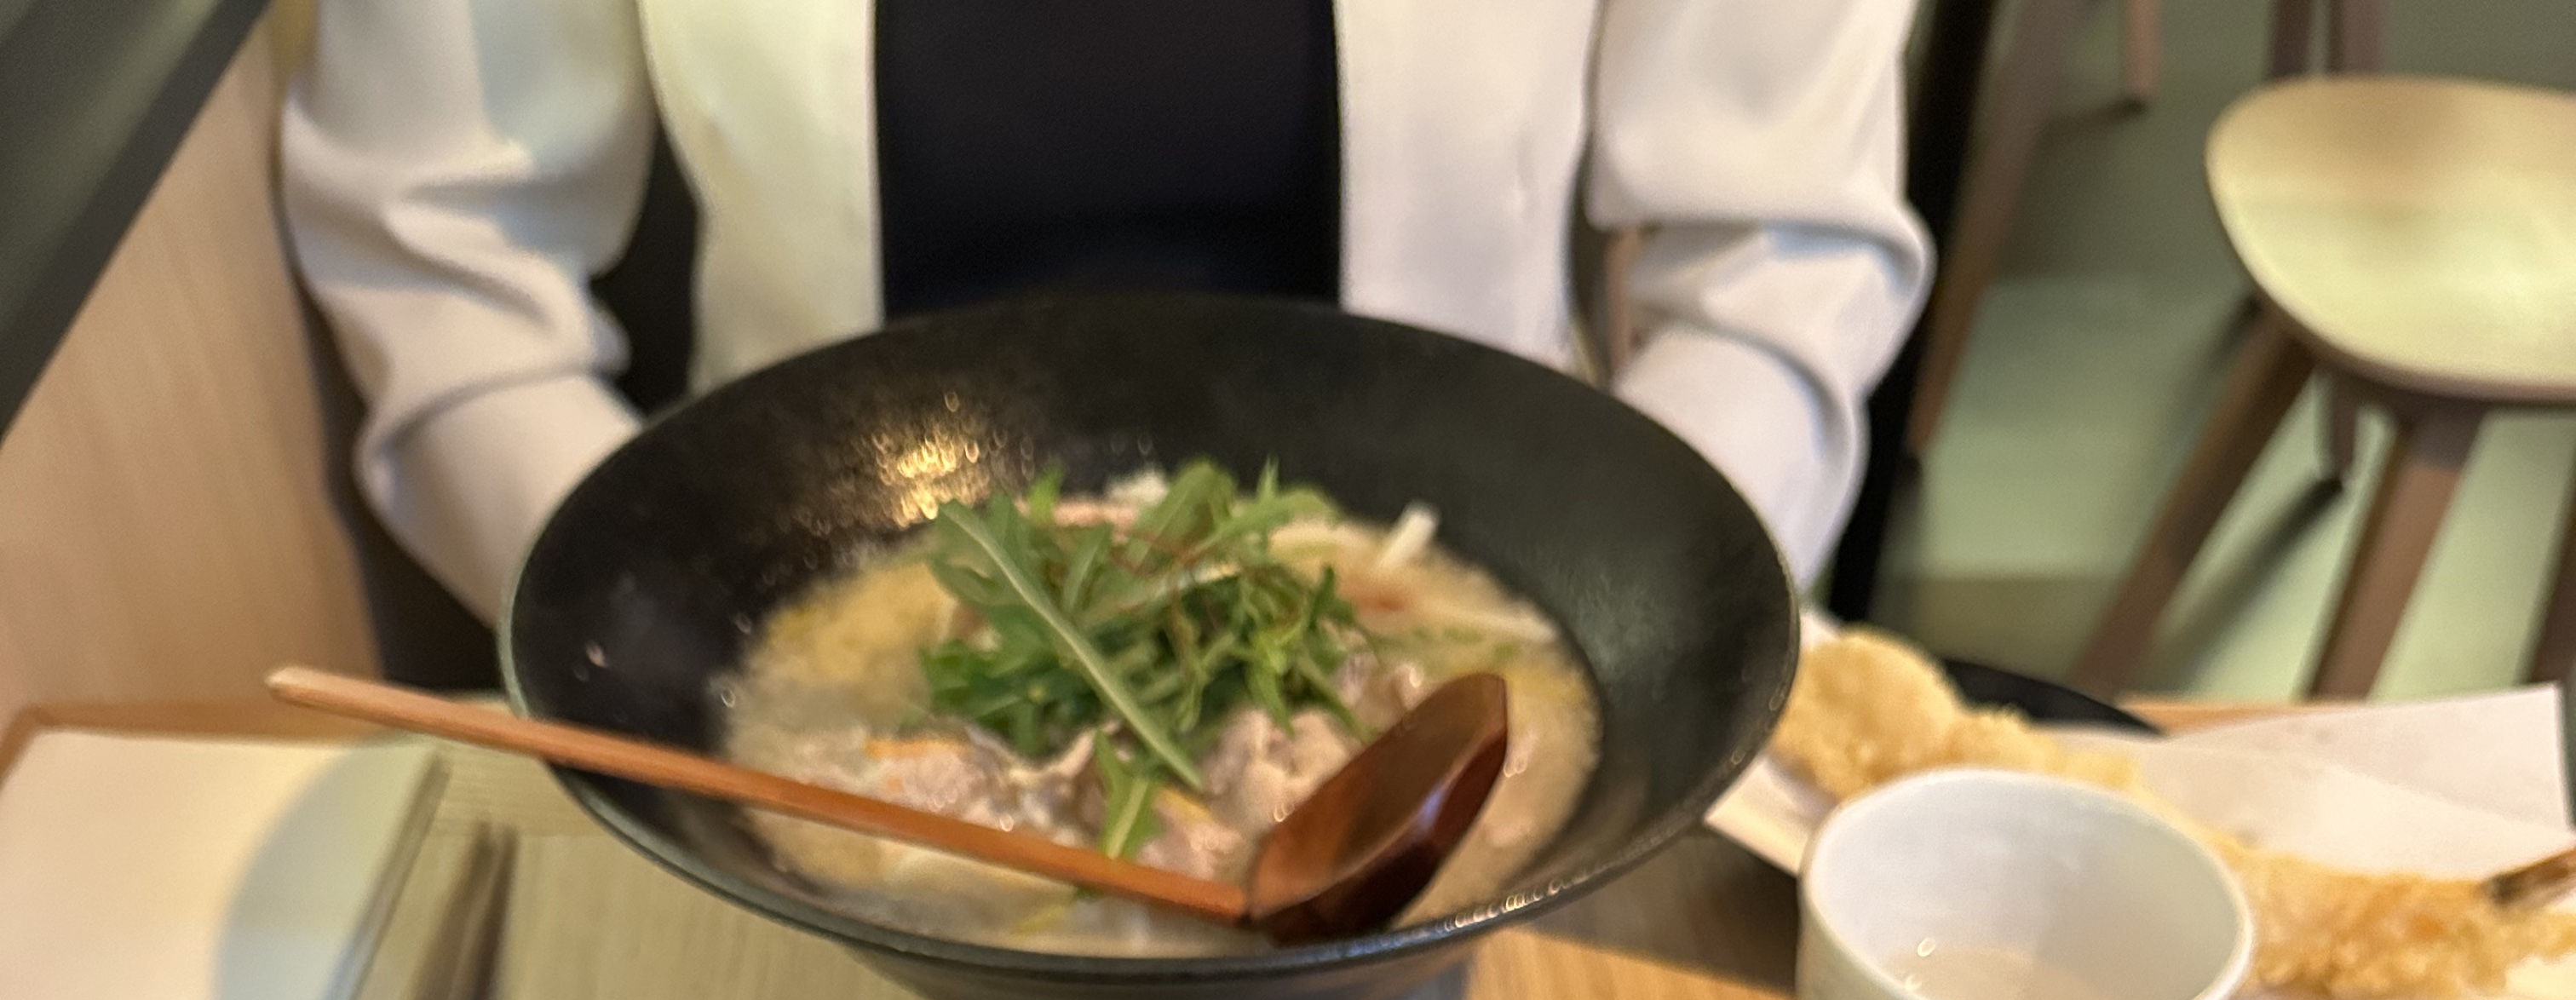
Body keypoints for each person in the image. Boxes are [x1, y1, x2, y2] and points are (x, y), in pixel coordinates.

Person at [282, 0, 1927, 629]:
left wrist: (1614, 645)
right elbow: (438, 244)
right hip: (823, 663)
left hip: (1460, 652)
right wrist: (682, 653)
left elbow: (1777, 245)